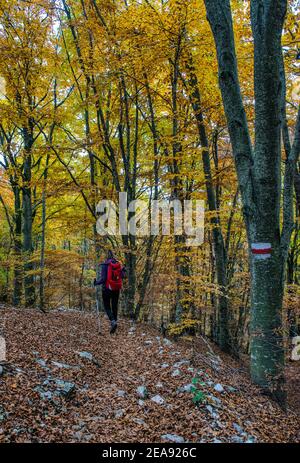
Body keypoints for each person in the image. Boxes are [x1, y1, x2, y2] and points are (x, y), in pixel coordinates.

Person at [94, 250, 126, 334]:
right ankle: (115, 323)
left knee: (107, 306)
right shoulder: (118, 264)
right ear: (113, 256)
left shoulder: (105, 265)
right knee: (114, 306)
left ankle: (113, 322)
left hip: (107, 288)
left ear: (106, 257)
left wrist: (96, 282)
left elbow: (103, 279)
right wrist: (123, 270)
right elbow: (122, 276)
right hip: (116, 288)